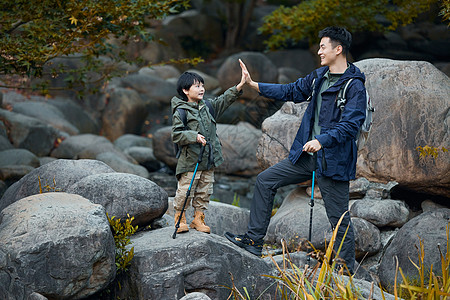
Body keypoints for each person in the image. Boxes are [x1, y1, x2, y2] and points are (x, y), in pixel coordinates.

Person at [225, 26, 367, 274]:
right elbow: (290, 91)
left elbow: (351, 125)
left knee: (339, 219)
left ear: (338, 49)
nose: (319, 51)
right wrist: (253, 84)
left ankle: (346, 271)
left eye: (323, 46)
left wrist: (322, 140)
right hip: (307, 156)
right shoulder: (319, 77)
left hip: (333, 160)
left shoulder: (354, 86)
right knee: (265, 180)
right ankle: (253, 241)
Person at [172, 68, 245, 234]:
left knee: (204, 191)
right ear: (185, 90)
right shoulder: (181, 111)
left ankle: (198, 218)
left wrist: (240, 85)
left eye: (202, 85)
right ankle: (180, 217)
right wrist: (194, 136)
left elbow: (224, 100)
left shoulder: (208, 107)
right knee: (186, 190)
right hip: (190, 160)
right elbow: (176, 135)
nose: (201, 89)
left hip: (209, 159)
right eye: (197, 86)